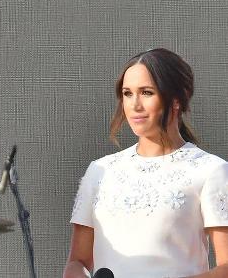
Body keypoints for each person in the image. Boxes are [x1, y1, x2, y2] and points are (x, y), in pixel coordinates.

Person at [63, 48, 228, 278]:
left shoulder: (210, 170)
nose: (134, 105)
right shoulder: (100, 172)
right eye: (127, 94)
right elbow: (77, 262)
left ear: (177, 99)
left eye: (147, 92)